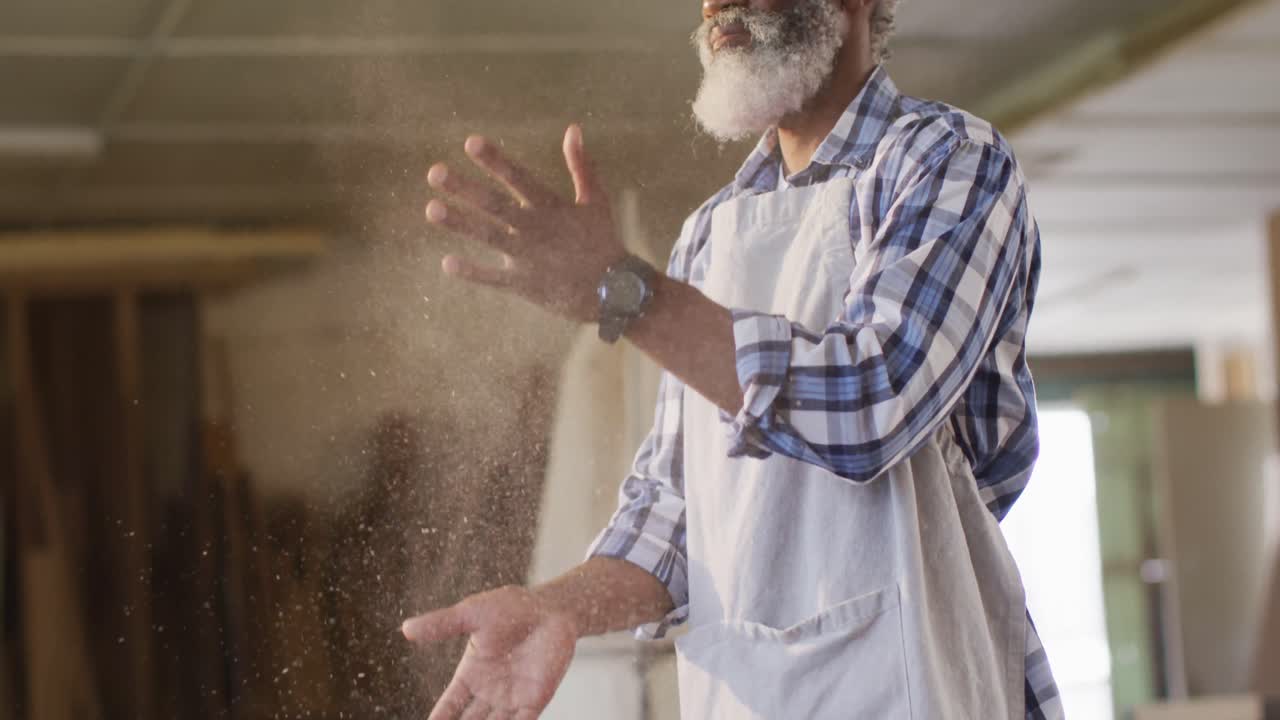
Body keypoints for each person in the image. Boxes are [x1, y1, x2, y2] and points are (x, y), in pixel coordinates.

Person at [402, 0, 1064, 717]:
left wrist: (629, 294)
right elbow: (671, 516)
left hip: (917, 687)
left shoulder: (946, 161)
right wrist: (556, 608)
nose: (715, 5)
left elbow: (875, 399)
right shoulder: (711, 232)